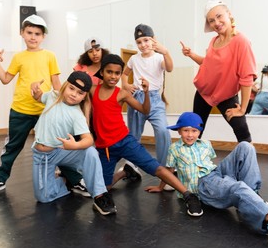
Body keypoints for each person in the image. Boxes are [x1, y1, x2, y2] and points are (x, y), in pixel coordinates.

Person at [145, 112, 268, 245]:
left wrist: (222, 175)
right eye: (185, 131)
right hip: (202, 185)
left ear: (199, 131)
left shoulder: (205, 144)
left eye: (194, 131)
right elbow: (168, 170)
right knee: (236, 186)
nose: (190, 135)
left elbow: (210, 163)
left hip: (215, 173)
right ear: (179, 131)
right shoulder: (175, 149)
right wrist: (161, 187)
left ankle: (252, 198)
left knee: (245, 146)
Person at [0, 14, 86, 197]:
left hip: (46, 111)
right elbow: (6, 79)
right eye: (29, 32)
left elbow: (56, 83)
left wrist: (62, 105)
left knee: (57, 144)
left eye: (37, 33)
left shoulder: (49, 56)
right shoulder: (19, 57)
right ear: (22, 33)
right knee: (13, 146)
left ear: (43, 36)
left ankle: (75, 181)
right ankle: (0, 178)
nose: (33, 37)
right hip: (20, 110)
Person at [91, 53, 202, 216]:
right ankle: (125, 172)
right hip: (104, 148)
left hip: (125, 141)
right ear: (102, 72)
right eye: (109, 72)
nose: (113, 76)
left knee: (155, 168)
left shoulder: (122, 94)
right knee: (104, 188)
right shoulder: (92, 91)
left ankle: (189, 196)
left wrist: (147, 92)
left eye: (117, 73)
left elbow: (144, 110)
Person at [30, 71, 116, 215]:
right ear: (65, 86)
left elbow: (89, 139)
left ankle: (100, 195)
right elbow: (39, 97)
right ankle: (63, 182)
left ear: (84, 97)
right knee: (43, 198)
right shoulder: (52, 96)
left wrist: (75, 145)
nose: (74, 94)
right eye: (71, 88)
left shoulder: (77, 115)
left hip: (61, 151)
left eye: (80, 93)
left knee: (90, 152)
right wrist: (35, 90)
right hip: (42, 156)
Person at [180, 0, 256, 142]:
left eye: (219, 16)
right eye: (211, 20)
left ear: (229, 14)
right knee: (195, 132)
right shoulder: (214, 41)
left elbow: (247, 77)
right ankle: (191, 162)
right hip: (203, 92)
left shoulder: (241, 41)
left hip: (225, 94)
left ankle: (249, 163)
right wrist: (191, 55)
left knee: (242, 131)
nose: (216, 22)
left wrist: (243, 108)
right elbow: (208, 64)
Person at [121, 24, 173, 183]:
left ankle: (166, 169)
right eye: (139, 42)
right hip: (136, 97)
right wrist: (126, 85)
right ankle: (131, 165)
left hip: (154, 99)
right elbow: (124, 74)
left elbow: (169, 68)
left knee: (163, 131)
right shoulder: (133, 58)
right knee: (134, 134)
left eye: (146, 40)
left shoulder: (159, 58)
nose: (143, 45)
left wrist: (166, 52)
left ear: (153, 40)